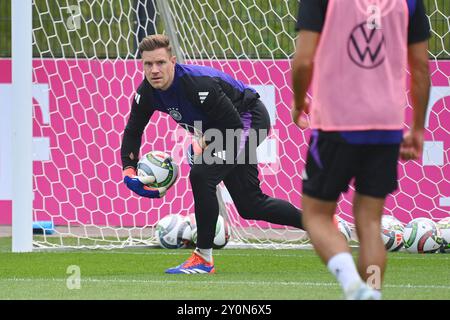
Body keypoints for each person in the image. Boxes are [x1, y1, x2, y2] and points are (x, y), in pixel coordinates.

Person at [121, 34, 304, 274]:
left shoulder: (198, 85)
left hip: (247, 119)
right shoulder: (146, 93)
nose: (155, 70)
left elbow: (232, 124)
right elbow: (133, 130)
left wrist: (203, 142)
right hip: (222, 128)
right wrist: (129, 172)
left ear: (173, 61)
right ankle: (320, 223)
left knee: (201, 175)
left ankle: (203, 259)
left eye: (161, 63)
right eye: (148, 64)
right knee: (250, 205)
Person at [291, 0, 430, 299]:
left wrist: (298, 99)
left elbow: (303, 60)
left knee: (315, 215)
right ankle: (373, 292)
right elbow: (420, 68)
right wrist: (417, 128)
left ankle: (353, 286)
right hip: (386, 126)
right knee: (369, 222)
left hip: (336, 124)